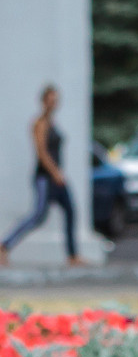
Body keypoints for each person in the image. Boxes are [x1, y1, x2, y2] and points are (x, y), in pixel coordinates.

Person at [3, 85, 80, 266]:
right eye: (50, 100)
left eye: (56, 100)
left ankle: (72, 256)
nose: (53, 104)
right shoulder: (39, 123)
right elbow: (42, 153)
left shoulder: (53, 123)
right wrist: (56, 173)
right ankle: (4, 245)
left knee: (70, 210)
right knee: (38, 215)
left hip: (57, 178)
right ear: (43, 101)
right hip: (45, 178)